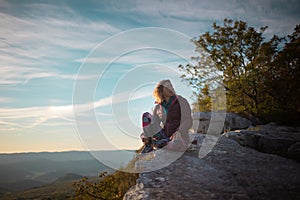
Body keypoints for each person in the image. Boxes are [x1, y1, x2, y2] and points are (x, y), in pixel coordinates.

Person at [140, 79, 193, 153]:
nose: (171, 88)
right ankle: (150, 144)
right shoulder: (158, 107)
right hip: (165, 136)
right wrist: (145, 135)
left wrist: (179, 131)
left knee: (175, 145)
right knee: (146, 116)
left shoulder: (181, 101)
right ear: (162, 91)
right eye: (167, 87)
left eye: (171, 86)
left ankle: (164, 144)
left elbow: (188, 120)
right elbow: (154, 124)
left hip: (178, 137)